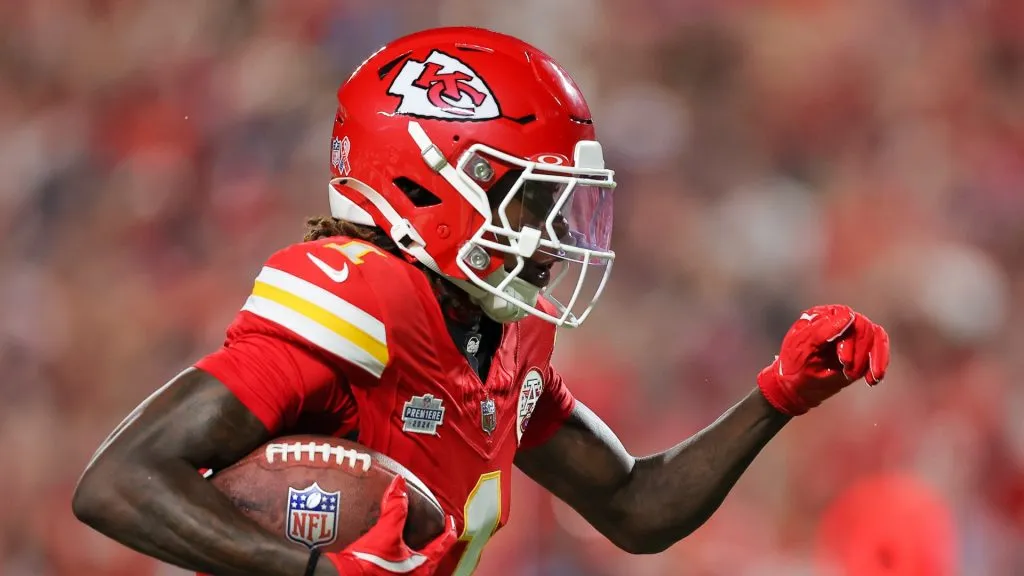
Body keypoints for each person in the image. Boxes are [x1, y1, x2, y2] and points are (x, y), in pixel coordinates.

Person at [71, 26, 890, 576]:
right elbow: (117, 481)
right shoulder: (369, 302)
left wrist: (777, 396)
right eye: (530, 200)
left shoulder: (494, 332)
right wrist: (313, 570)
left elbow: (638, 509)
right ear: (427, 180)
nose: (553, 229)